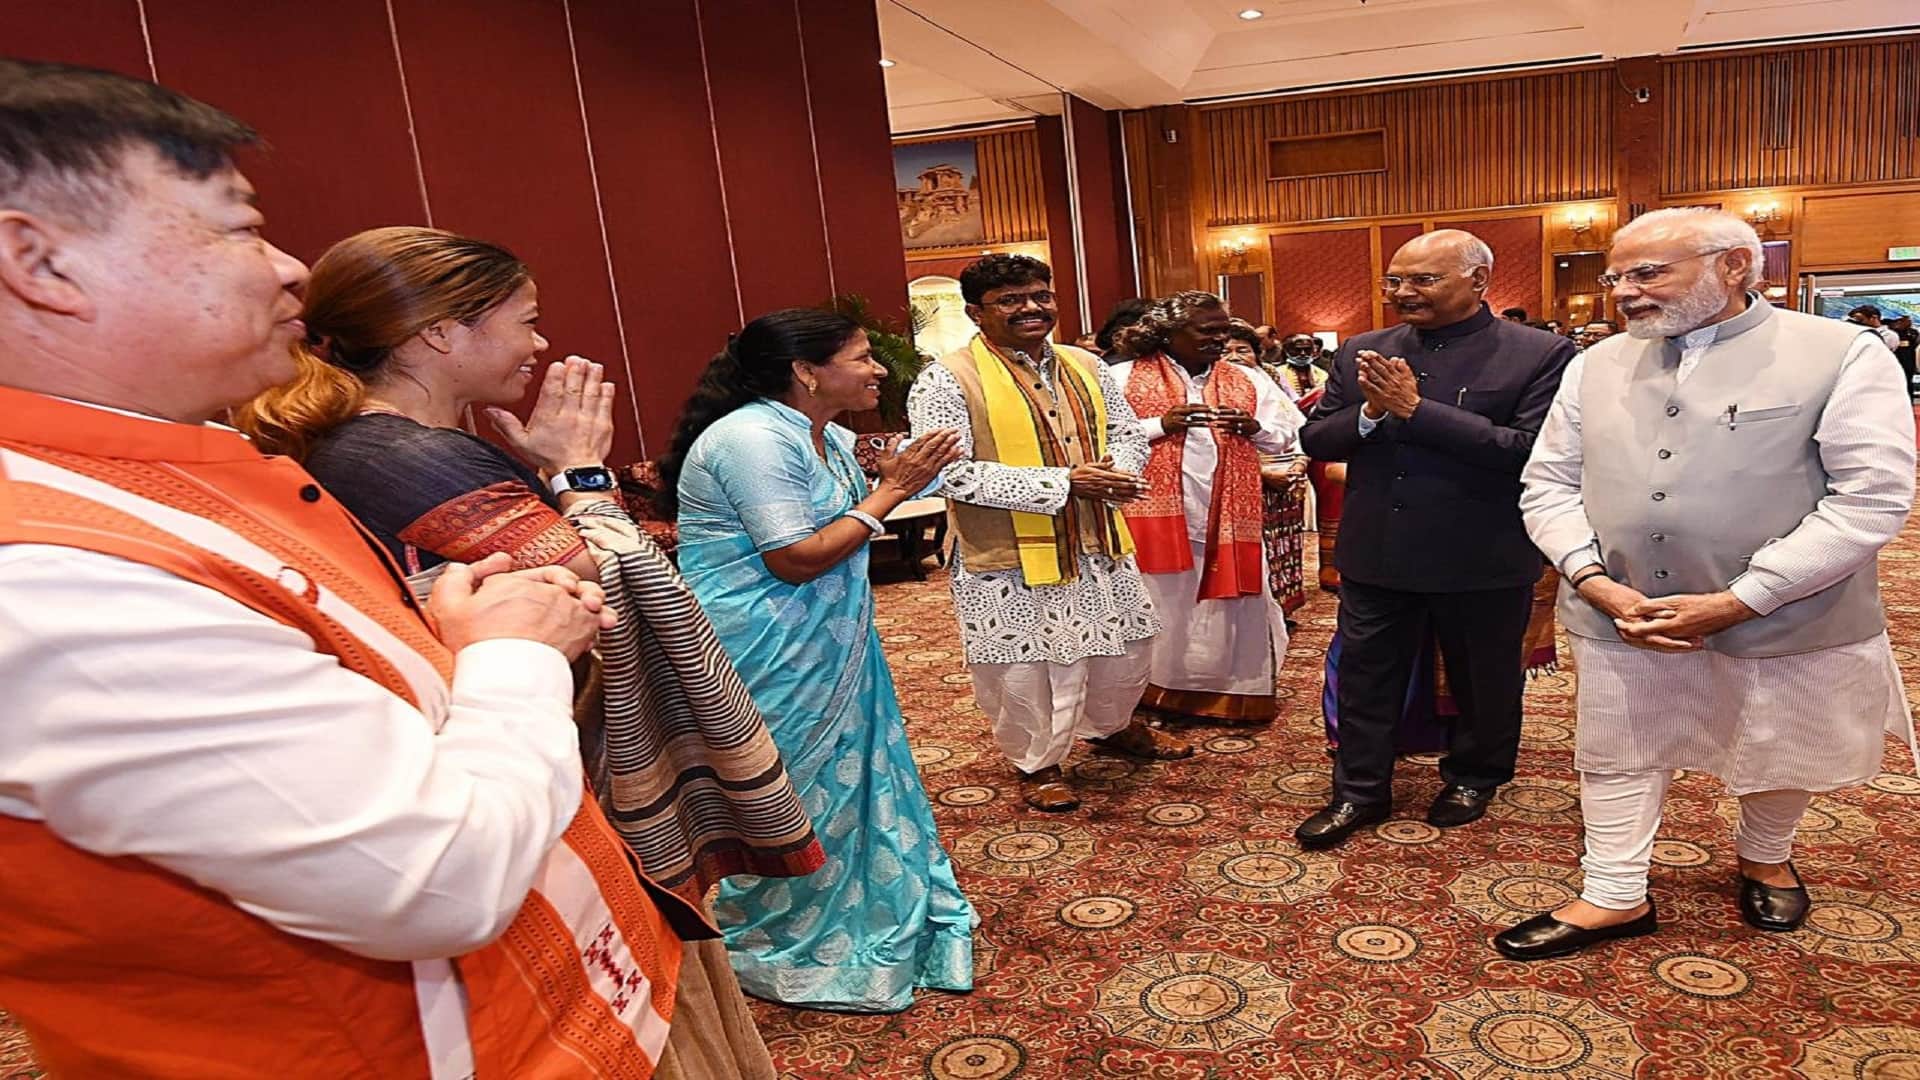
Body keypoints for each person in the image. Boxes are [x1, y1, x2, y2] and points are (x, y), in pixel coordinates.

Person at [0, 58, 744, 1078]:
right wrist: (512, 649)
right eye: (238, 228)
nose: (290, 268)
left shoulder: (180, 467)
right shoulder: (53, 575)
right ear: (39, 263)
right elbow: (439, 877)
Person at [236, 226, 825, 919]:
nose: (539, 344)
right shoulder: (401, 456)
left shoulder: (395, 443)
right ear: (440, 333)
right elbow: (598, 576)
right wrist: (579, 472)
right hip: (503, 750)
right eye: (527, 322)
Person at [1498, 208, 1917, 960]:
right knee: (1619, 745)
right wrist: (1591, 579)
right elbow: (1549, 482)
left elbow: (1871, 497)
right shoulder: (1593, 364)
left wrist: (1742, 599)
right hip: (1623, 607)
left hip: (1785, 610)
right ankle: (1614, 893)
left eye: (1647, 273)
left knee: (1777, 739)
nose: (1623, 291)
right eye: (1617, 276)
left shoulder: (1840, 352)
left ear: (1733, 266)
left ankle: (1766, 855)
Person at [658, 308, 977, 1012]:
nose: (879, 369)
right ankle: (781, 932)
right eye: (862, 357)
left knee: (850, 778)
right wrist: (892, 491)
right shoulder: (750, 439)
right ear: (806, 371)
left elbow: (844, 518)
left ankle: (860, 908)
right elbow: (795, 558)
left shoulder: (824, 435)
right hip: (763, 643)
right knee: (790, 785)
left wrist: (899, 480)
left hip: (829, 640)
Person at [1294, 229, 1577, 850]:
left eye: (1423, 280)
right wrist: (1370, 414)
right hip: (1378, 549)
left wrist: (1416, 410)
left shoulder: (1539, 353)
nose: (1403, 292)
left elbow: (1529, 451)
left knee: (1484, 678)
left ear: (1478, 281)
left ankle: (1475, 776)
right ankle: (1359, 791)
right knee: (1367, 677)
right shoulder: (1364, 349)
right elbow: (1316, 439)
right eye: (1395, 280)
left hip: (1480, 551)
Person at [907, 254, 1190, 814]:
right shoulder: (946, 378)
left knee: (1125, 648)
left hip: (1096, 540)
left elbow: (1127, 433)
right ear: (976, 312)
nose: (1031, 308)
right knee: (1027, 666)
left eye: (1040, 295)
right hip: (1007, 554)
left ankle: (1111, 726)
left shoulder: (1085, 364)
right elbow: (947, 472)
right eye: (1010, 300)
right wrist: (1064, 484)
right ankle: (1037, 762)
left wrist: (1117, 471)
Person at [1111, 300, 1303, 724]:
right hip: (1153, 518)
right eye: (1207, 331)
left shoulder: (1248, 378)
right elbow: (1099, 438)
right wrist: (1161, 424)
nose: (1220, 339)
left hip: (1230, 518)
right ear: (1168, 333)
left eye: (1223, 329)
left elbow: (1288, 435)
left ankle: (1229, 694)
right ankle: (1151, 693)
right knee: (1161, 603)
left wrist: (1255, 428)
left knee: (1228, 607)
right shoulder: (1121, 376)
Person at [1222, 322, 1311, 623]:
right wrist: (1263, 474)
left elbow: (1298, 429)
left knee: (1283, 548)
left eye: (1242, 350)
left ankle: (1282, 612)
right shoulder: (1215, 388)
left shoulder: (1268, 382)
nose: (1234, 356)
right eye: (1226, 351)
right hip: (1247, 484)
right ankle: (1259, 619)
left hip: (1287, 480)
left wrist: (1299, 463)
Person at [1885, 313, 1917, 399]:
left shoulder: (1913, 332)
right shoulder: (1891, 333)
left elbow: (1915, 345)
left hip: (1909, 364)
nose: (1909, 322)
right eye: (1907, 320)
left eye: (1910, 320)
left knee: (1908, 385)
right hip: (1895, 364)